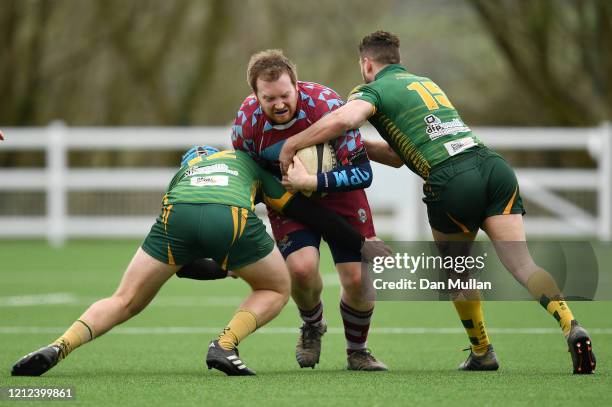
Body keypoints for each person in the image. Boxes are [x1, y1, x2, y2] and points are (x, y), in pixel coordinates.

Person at [279, 31, 596, 374]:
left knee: (457, 273)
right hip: (493, 166)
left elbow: (343, 119)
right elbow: (399, 156)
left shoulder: (370, 90)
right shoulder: (424, 83)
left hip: (451, 180)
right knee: (522, 263)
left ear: (366, 64)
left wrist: (293, 143)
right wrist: (344, 146)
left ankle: (482, 352)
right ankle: (570, 323)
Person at [11, 146, 388, 377]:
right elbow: (307, 212)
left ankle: (60, 345)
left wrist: (222, 267)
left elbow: (184, 264)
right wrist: (359, 243)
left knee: (123, 300)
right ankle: (225, 344)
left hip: (176, 216)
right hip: (231, 217)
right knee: (277, 286)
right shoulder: (245, 163)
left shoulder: (183, 175)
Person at [230, 49, 387, 371]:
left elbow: (364, 174)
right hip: (288, 199)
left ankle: (357, 350)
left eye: (285, 95)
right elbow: (248, 181)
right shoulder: (246, 124)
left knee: (358, 279)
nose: (279, 104)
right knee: (301, 269)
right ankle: (312, 324)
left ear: (296, 85)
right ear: (255, 95)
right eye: (268, 98)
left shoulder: (328, 106)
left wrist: (312, 180)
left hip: (341, 195)